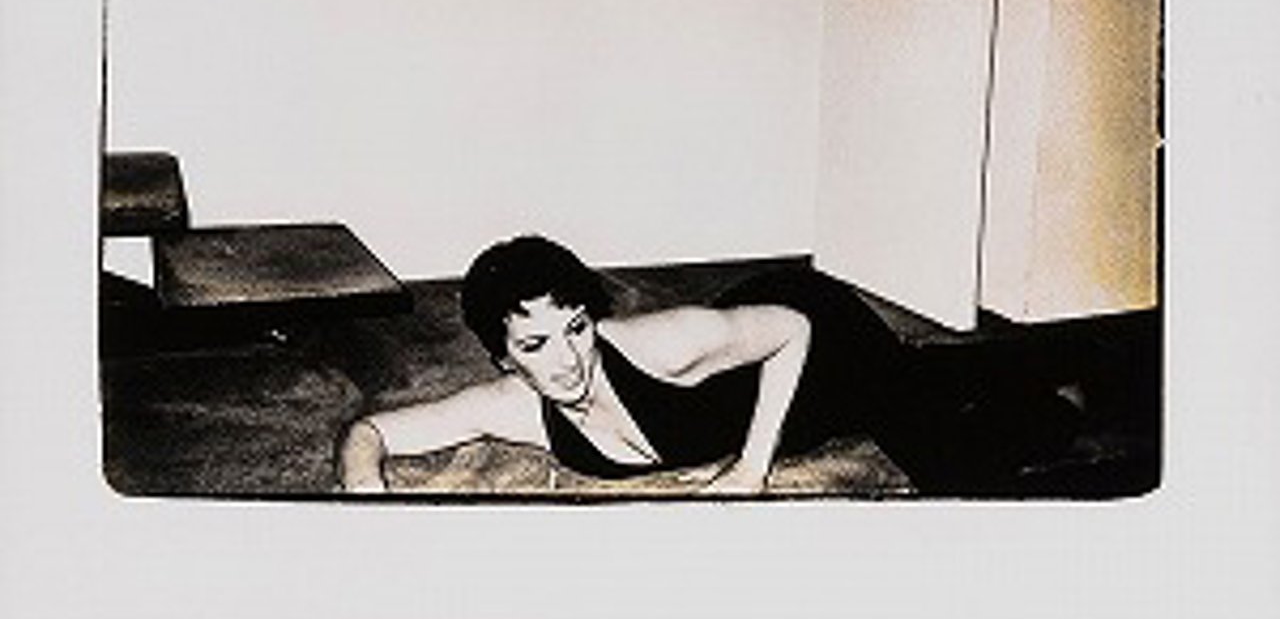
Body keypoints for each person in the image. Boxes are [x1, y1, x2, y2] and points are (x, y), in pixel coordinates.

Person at [337, 234, 1080, 495]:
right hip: (754, 367)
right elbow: (370, 431)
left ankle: (1075, 377)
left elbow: (792, 329)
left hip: (816, 339)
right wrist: (368, 493)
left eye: (576, 329)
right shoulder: (507, 406)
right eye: (535, 345)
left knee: (947, 460)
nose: (567, 360)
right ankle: (1034, 370)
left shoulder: (664, 344)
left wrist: (752, 469)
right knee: (930, 382)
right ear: (502, 356)